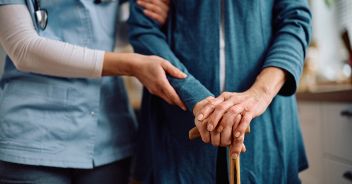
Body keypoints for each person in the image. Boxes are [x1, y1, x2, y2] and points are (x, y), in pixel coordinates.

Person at [0, 0, 183, 183]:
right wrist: (130, 65)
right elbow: (23, 49)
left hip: (107, 138)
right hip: (33, 139)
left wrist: (151, 16)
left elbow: (107, 29)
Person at [128, 0, 312, 183]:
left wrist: (260, 92)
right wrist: (195, 96)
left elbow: (295, 20)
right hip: (175, 127)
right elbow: (144, 29)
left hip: (265, 125)